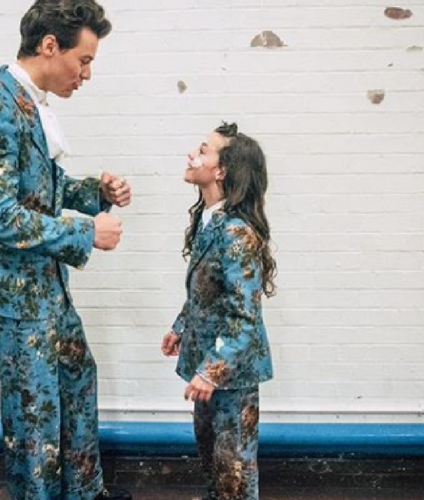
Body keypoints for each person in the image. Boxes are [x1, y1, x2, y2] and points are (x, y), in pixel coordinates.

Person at [0, 1, 131, 499]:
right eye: (84, 60)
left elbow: (40, 190)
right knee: (35, 418)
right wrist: (85, 233)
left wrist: (95, 191)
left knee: (77, 379)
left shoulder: (31, 104)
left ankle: (84, 493)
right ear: (50, 46)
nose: (87, 74)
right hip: (12, 296)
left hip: (45, 286)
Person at [161, 122, 276, 500]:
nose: (192, 155)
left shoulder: (236, 233)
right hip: (208, 365)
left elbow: (244, 318)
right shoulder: (210, 220)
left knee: (234, 473)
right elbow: (208, 291)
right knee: (213, 461)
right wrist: (181, 326)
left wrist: (210, 373)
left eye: (203, 150)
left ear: (221, 171)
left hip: (231, 374)